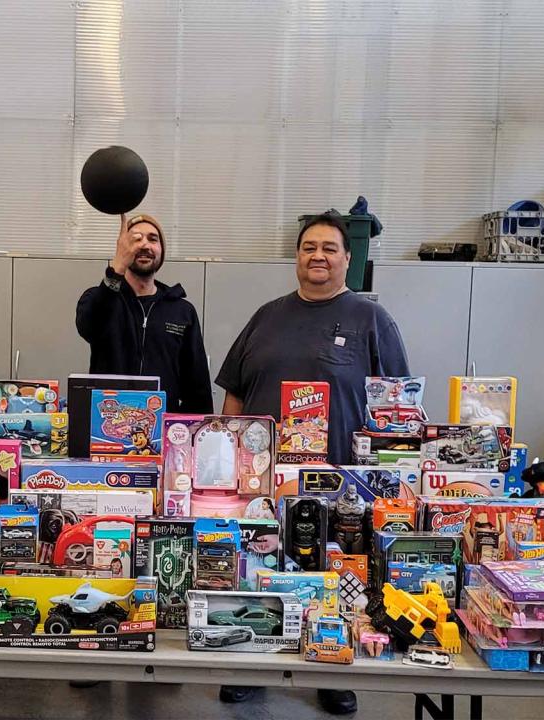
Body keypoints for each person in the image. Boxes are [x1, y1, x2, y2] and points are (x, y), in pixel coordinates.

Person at [214, 210, 410, 716]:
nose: (317, 256)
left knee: (334, 574)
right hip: (261, 479)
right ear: (297, 257)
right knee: (257, 566)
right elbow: (234, 395)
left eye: (329, 248)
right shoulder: (267, 315)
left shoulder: (372, 319)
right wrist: (230, 460)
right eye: (308, 247)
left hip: (340, 484)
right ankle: (248, 661)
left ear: (348, 259)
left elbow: (396, 408)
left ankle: (332, 666)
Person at [76, 213, 214, 413]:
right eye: (135, 239)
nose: (145, 245)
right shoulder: (101, 298)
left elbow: (197, 386)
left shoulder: (182, 311)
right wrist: (117, 267)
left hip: (163, 430)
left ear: (161, 251)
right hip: (108, 426)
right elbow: (87, 326)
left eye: (152, 239)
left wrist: (196, 433)